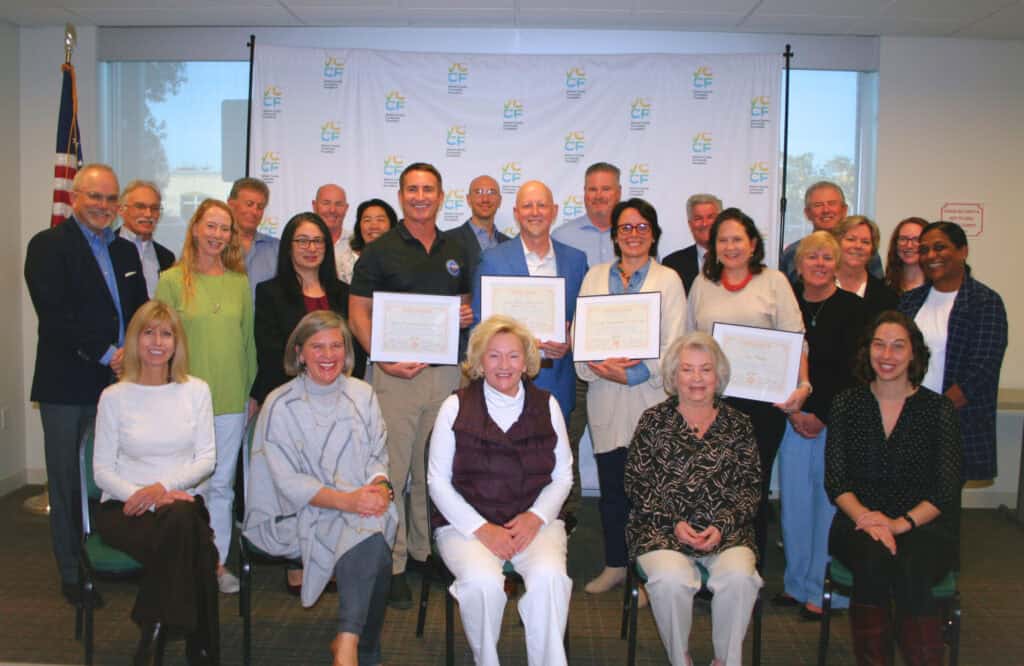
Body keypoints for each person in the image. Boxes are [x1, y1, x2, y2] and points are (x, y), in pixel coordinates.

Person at [349, 162, 475, 608]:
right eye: (412, 190)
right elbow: (358, 313)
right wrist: (382, 356)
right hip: (395, 375)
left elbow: (465, 302)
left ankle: (425, 552)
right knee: (394, 469)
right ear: (402, 196)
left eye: (429, 189)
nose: (421, 196)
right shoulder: (379, 251)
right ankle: (394, 561)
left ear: (441, 196)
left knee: (434, 469)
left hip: (444, 373)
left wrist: (465, 313)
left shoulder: (458, 246)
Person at [24, 162, 148, 605]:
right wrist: (109, 354)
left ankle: (111, 554)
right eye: (94, 197)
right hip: (68, 384)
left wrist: (136, 356)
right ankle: (73, 573)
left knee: (116, 475)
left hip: (120, 385)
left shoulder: (126, 252)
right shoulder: (47, 246)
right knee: (67, 480)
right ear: (75, 197)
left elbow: (140, 312)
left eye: (110, 199)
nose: (103, 206)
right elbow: (56, 317)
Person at [244, 311, 397, 666]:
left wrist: (379, 486)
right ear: (299, 352)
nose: (328, 355)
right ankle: (359, 647)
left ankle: (347, 643)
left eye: (336, 346)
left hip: (358, 502)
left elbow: (378, 454)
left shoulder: (363, 394)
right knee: (375, 539)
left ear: (346, 353)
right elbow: (287, 482)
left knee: (374, 524)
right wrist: (349, 501)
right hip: (296, 512)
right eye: (317, 347)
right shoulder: (280, 403)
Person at [428, 315, 573, 666]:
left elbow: (563, 475)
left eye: (513, 356)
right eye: (493, 356)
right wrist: (482, 529)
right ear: (479, 362)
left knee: (551, 579)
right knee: (482, 583)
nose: (504, 365)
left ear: (526, 362)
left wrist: (536, 517)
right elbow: (437, 482)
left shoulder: (548, 405)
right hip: (468, 526)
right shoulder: (455, 406)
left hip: (534, 522)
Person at [825, 311, 961, 666]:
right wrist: (870, 521)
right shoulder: (846, 404)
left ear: (914, 353)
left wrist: (899, 524)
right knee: (873, 559)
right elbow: (836, 481)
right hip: (859, 523)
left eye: (898, 346)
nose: (887, 355)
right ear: (867, 351)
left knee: (911, 564)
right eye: (879, 345)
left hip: (924, 524)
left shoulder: (938, 410)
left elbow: (946, 489)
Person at [93, 301, 219, 666]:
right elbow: (101, 469)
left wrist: (160, 489)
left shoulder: (196, 391)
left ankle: (154, 630)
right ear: (135, 339)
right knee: (196, 545)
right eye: (148, 332)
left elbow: (206, 460)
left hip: (178, 502)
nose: (157, 342)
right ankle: (201, 646)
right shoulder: (114, 396)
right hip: (124, 507)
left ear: (177, 343)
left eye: (166, 333)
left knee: (181, 521)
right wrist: (141, 495)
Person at [625, 332, 762, 666]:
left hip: (726, 532)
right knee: (670, 580)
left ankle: (726, 660)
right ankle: (679, 658)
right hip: (661, 530)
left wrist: (722, 524)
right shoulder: (654, 421)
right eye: (687, 369)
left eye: (706, 369)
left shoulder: (739, 424)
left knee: (741, 578)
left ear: (719, 376)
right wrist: (675, 523)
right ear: (674, 376)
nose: (697, 378)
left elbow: (751, 487)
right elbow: (636, 483)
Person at [686, 207, 810, 562]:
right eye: (722, 240)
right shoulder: (702, 284)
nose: (730, 246)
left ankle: (747, 568)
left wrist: (803, 385)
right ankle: (707, 564)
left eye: (737, 239)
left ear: (753, 244)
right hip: (711, 404)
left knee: (750, 490)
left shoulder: (774, 282)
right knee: (708, 484)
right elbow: (690, 340)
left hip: (761, 405)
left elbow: (795, 338)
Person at [576, 198, 686, 595]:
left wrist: (633, 374)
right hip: (604, 395)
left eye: (641, 228)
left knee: (651, 494)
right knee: (612, 491)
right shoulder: (594, 277)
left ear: (653, 234)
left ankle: (648, 574)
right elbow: (581, 339)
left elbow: (674, 344)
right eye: (626, 228)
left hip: (649, 399)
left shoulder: (669, 280)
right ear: (615, 235)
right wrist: (597, 368)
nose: (633, 235)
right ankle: (615, 564)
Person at [471, 180, 588, 526]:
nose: (535, 212)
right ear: (517, 213)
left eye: (542, 206)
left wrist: (572, 340)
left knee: (556, 465)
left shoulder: (575, 260)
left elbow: (584, 319)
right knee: (509, 465)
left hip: (558, 378)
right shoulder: (492, 259)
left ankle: (555, 535)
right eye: (527, 206)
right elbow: (481, 321)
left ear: (553, 212)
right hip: (507, 382)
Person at [156, 198, 257, 595]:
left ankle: (215, 565)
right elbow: (158, 343)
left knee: (221, 488)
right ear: (195, 228)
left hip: (231, 399)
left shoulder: (238, 282)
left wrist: (249, 392)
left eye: (225, 229)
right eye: (211, 226)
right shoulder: (170, 280)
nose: (217, 235)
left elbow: (247, 343)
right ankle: (187, 563)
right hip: (182, 400)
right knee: (187, 487)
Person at [776, 231, 867, 620]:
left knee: (829, 506)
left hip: (837, 422)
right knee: (794, 505)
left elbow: (857, 371)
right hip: (792, 419)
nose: (819, 265)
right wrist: (796, 412)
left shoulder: (854, 309)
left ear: (838, 263)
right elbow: (777, 362)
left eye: (827, 258)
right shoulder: (787, 305)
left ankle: (825, 590)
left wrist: (821, 413)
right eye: (811, 258)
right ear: (798, 265)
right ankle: (796, 585)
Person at [899, 221, 1008, 482]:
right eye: (924, 250)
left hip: (952, 421)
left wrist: (933, 414)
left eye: (940, 248)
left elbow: (981, 369)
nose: (931, 256)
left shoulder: (984, 301)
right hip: (904, 417)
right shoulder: (910, 301)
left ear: (963, 251)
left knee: (941, 508)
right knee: (900, 500)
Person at [253, 212, 363, 408]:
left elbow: (354, 350)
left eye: (318, 241)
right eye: (302, 241)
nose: (311, 248)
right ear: (288, 246)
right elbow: (270, 355)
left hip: (339, 397)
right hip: (289, 398)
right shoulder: (269, 293)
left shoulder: (344, 293)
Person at [780, 181, 884, 282]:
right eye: (818, 205)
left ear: (844, 210)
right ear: (807, 213)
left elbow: (879, 292)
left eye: (832, 203)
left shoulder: (861, 252)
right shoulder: (793, 253)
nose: (826, 210)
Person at [443, 174, 510, 280]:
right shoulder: (447, 241)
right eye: (478, 192)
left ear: (499, 201)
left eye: (491, 192)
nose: (485, 199)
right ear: (468, 199)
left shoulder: (510, 245)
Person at [117, 180, 175, 298]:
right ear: (121, 210)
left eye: (154, 208)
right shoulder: (107, 249)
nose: (148, 214)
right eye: (140, 206)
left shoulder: (167, 258)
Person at [835, 215, 899, 319]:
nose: (858, 246)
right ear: (837, 243)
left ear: (872, 250)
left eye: (865, 242)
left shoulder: (887, 296)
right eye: (851, 239)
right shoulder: (819, 288)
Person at [227, 177, 279, 299]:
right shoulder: (216, 246)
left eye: (260, 207)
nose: (255, 211)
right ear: (231, 204)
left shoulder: (277, 249)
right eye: (249, 204)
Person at [661, 193, 722, 294]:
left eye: (710, 217)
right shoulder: (672, 264)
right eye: (698, 218)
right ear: (690, 224)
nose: (705, 223)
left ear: (720, 222)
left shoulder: (733, 260)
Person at [335, 198, 398, 285]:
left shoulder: (402, 259)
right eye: (367, 220)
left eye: (380, 220)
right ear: (359, 226)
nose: (374, 226)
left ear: (391, 225)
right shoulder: (344, 262)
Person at [884, 217, 928, 295]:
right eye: (903, 239)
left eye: (916, 239)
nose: (909, 245)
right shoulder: (883, 287)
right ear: (896, 244)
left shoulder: (939, 288)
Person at [312, 183, 350, 259]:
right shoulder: (302, 244)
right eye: (326, 203)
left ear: (346, 208)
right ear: (314, 206)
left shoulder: (357, 243)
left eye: (338, 204)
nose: (332, 210)